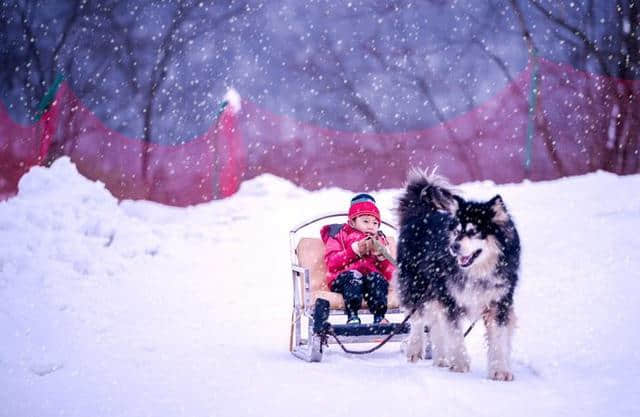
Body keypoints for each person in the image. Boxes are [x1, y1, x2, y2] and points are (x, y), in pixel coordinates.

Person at [320, 193, 395, 325]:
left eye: (375, 223)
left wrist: (382, 257)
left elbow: (389, 273)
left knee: (378, 279)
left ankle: (379, 316)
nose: (371, 226)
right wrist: (354, 251)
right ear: (352, 222)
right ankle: (352, 315)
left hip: (369, 281)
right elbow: (332, 262)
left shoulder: (380, 239)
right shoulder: (338, 234)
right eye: (365, 221)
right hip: (343, 278)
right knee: (353, 277)